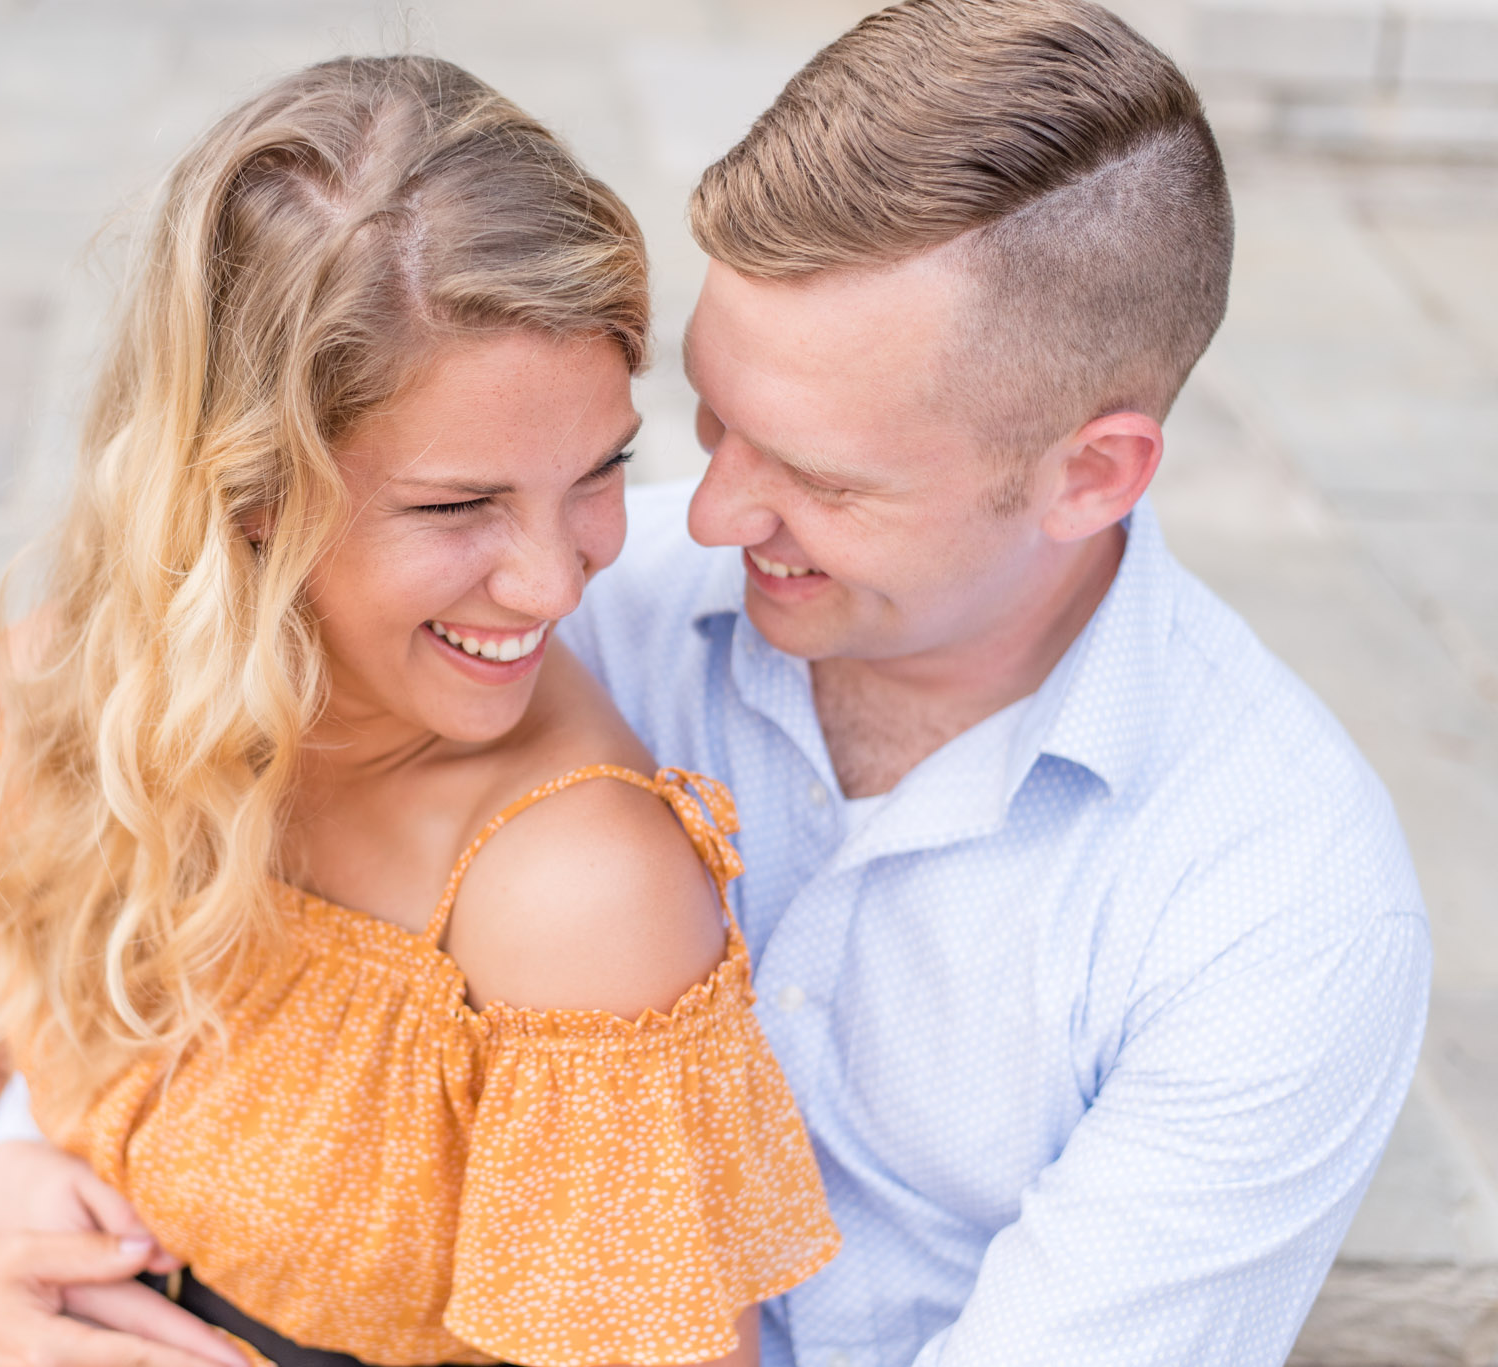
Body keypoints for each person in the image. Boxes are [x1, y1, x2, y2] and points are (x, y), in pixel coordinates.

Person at [0, 54, 838, 1367]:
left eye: (601, 471)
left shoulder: (570, 888)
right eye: (458, 506)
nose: (559, 579)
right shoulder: (73, 683)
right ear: (246, 492)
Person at [557, 1, 1432, 1364]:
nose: (714, 516)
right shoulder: (588, 603)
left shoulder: (1280, 905)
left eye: (826, 479)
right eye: (713, 420)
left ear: (1093, 476)